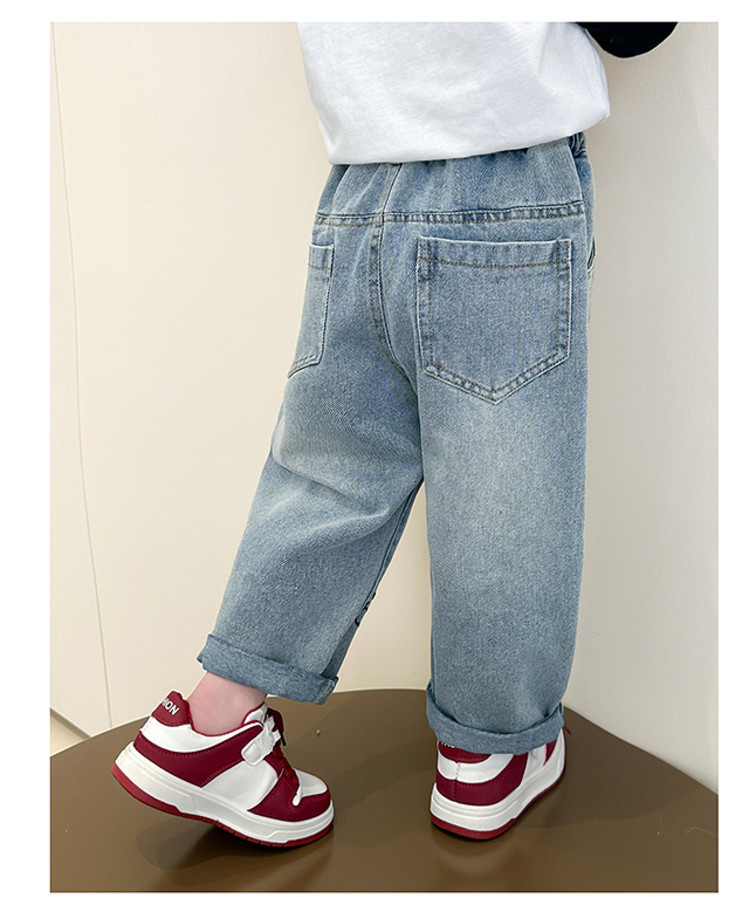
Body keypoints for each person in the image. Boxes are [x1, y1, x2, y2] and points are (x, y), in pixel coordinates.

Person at [111, 21, 677, 847]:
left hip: (357, 191)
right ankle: (489, 754)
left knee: (328, 475)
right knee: (503, 483)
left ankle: (211, 720)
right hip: (504, 183)